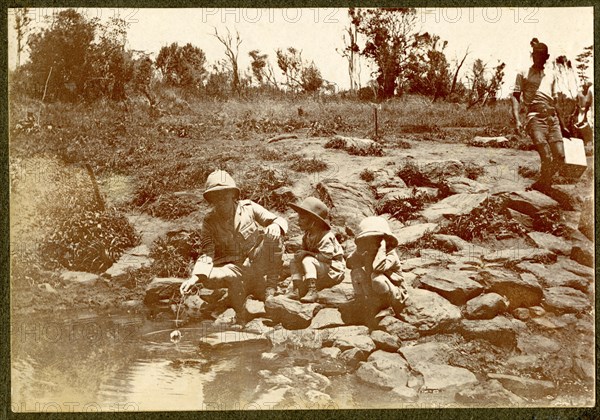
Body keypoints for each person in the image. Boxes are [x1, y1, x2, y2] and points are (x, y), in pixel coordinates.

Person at [180, 170, 287, 323]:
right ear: (211, 200)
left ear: (232, 194)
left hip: (257, 260)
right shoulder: (209, 221)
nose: (220, 200)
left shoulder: (249, 208)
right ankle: (240, 291)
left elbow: (279, 220)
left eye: (224, 194)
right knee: (207, 277)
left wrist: (275, 225)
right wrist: (194, 278)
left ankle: (271, 287)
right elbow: (207, 253)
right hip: (233, 269)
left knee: (273, 237)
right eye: (215, 196)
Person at [512, 39, 568, 191]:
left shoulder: (551, 74)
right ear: (532, 55)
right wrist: (517, 120)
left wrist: (563, 125)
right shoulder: (523, 72)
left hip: (552, 117)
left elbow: (555, 102)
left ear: (546, 57)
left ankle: (543, 182)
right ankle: (543, 186)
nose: (537, 59)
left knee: (560, 157)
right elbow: (516, 95)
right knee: (546, 155)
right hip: (535, 117)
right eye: (535, 55)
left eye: (541, 56)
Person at [346, 216, 408, 325]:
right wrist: (359, 251)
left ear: (383, 240)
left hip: (393, 294)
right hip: (373, 293)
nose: (370, 244)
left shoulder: (390, 255)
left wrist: (382, 247)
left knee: (376, 277)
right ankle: (360, 302)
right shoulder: (367, 252)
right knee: (356, 272)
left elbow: (378, 267)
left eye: (375, 240)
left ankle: (386, 307)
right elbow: (350, 264)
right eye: (367, 240)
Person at [288, 197, 345, 303]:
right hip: (320, 265)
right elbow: (304, 252)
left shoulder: (325, 236)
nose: (298, 221)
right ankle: (297, 288)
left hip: (332, 270)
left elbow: (326, 258)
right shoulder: (307, 235)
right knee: (294, 260)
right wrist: (300, 255)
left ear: (313, 221)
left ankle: (312, 290)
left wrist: (306, 253)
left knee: (307, 260)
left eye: (302, 218)